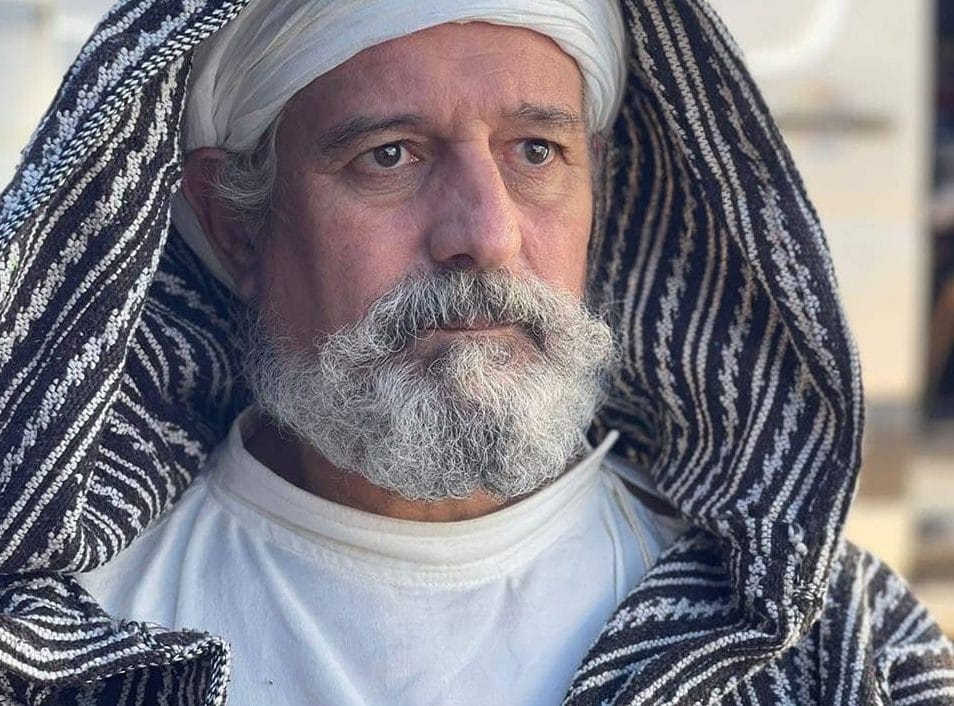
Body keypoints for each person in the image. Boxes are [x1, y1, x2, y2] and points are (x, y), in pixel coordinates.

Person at [0, 1, 951, 705]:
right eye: (389, 155)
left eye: (536, 151)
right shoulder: (63, 643)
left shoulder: (837, 650)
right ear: (235, 224)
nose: (486, 235)